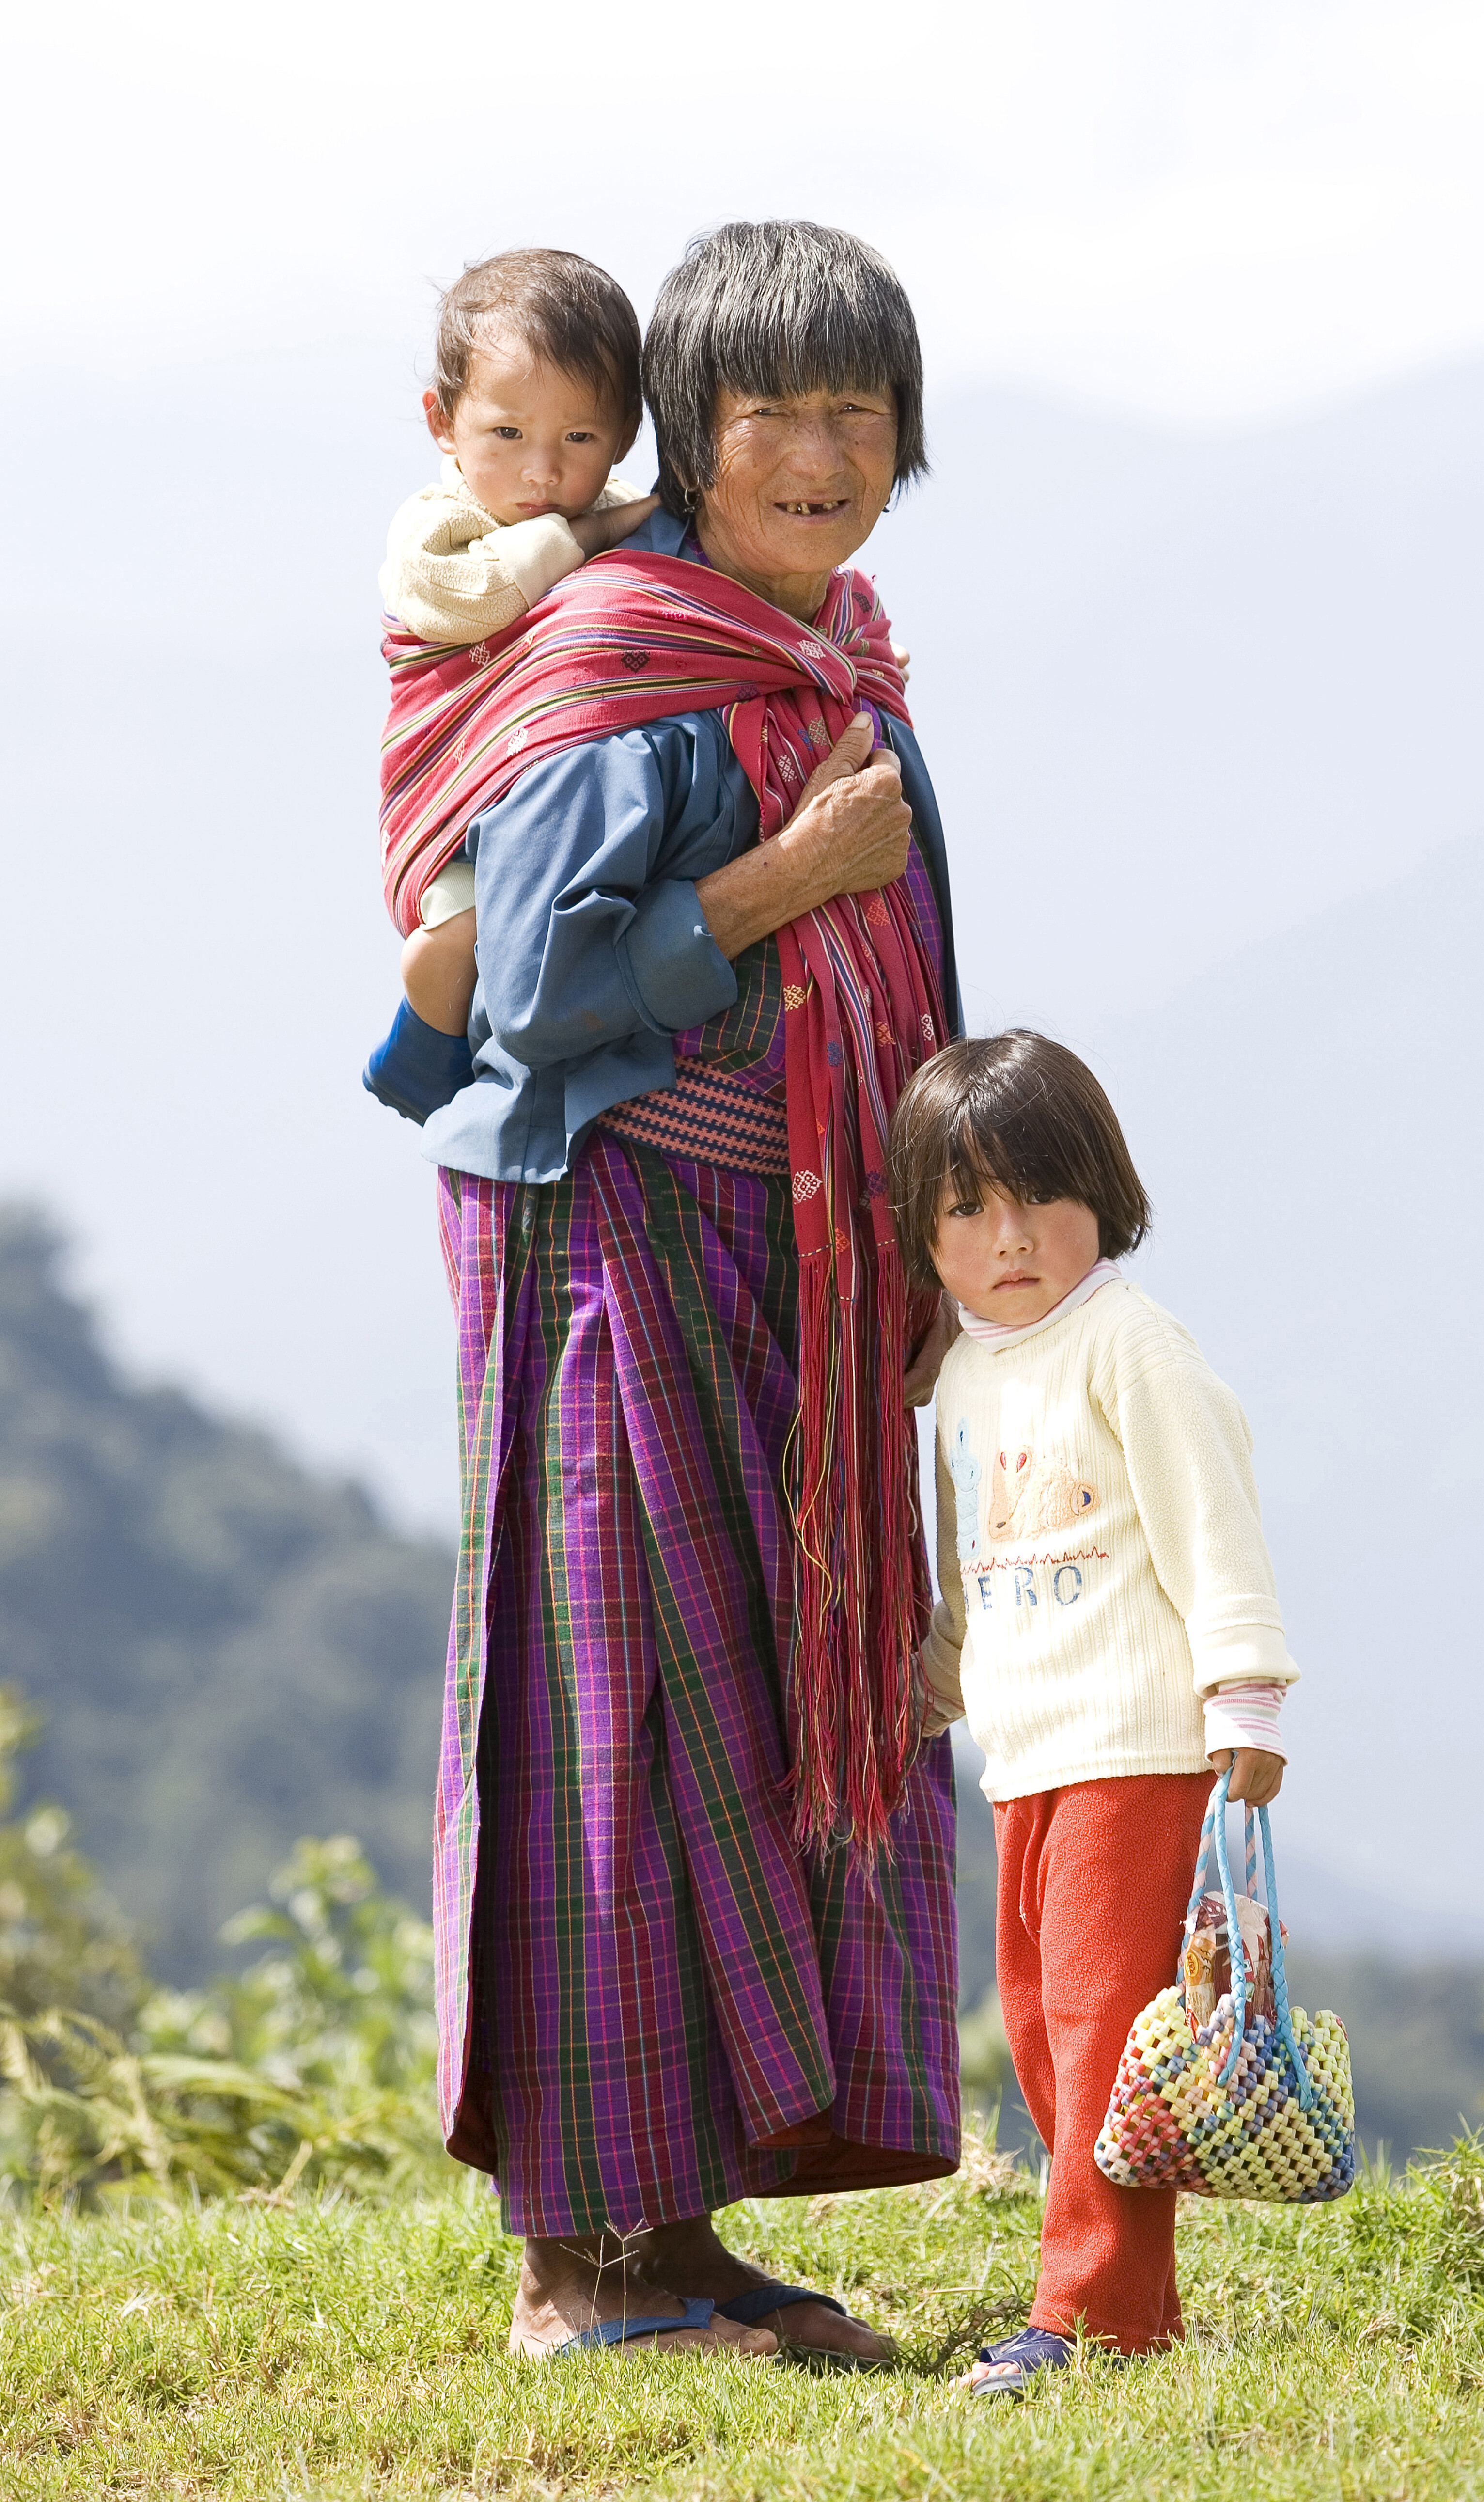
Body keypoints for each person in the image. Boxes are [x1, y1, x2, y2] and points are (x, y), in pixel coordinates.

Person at [379, 222, 966, 2363]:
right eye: (769, 413)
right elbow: (529, 994)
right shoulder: (623, 656)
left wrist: (933, 1239)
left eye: (856, 410)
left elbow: (921, 975)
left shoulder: (833, 657)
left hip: (795, 1264)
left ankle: (688, 2235)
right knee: (617, 1725)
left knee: (767, 1702)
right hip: (613, 1246)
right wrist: (782, 881)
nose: (817, 453)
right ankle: (583, 2268)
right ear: (683, 446)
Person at [887, 1030, 1298, 2394]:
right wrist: (921, 1692)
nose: (1007, 1237)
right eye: (965, 1208)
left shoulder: (1129, 1344)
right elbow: (971, 1578)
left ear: (1100, 1191)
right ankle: (1121, 2304)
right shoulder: (957, 1379)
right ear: (922, 1233)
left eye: (1034, 1194)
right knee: (1045, 2035)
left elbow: (1209, 1522)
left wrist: (1244, 1691)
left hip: (1134, 1749)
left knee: (1101, 2026)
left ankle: (1086, 2319)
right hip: (1025, 1759)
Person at [377, 249, 657, 1076]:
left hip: (551, 795)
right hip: (452, 788)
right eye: (507, 434)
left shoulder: (611, 511)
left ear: (625, 436)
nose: (543, 470)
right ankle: (420, 1046)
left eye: (579, 436)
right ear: (443, 422)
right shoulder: (435, 522)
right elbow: (467, 601)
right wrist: (586, 538)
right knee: (464, 926)